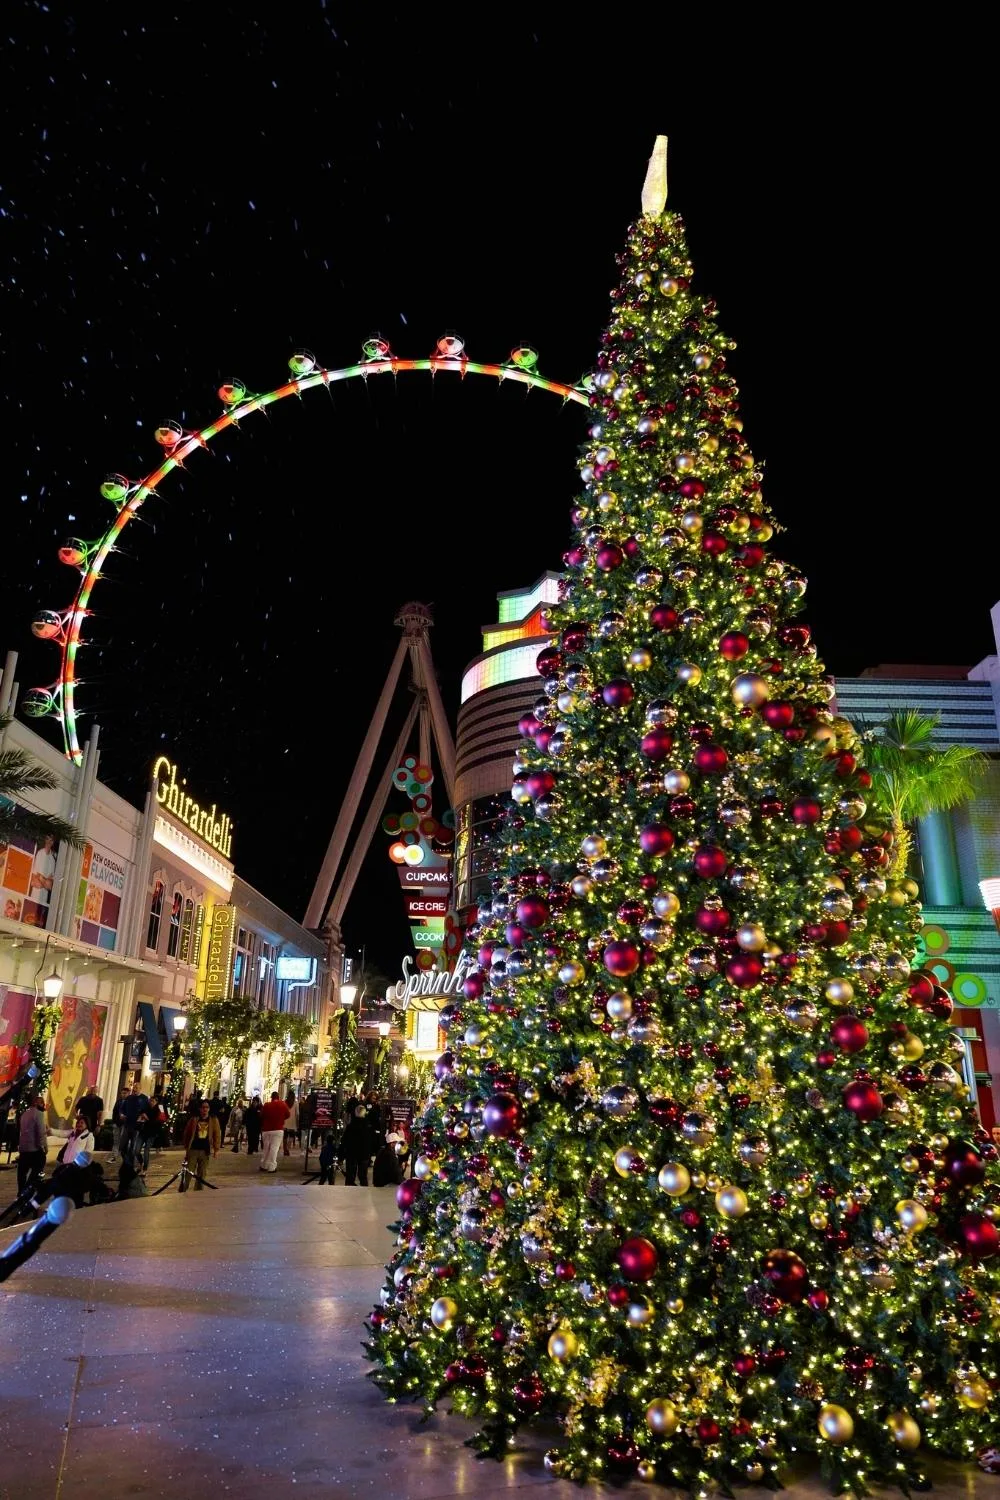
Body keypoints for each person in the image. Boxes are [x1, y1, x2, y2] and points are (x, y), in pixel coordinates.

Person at [182, 1099, 220, 1189]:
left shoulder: (213, 1120)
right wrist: (186, 1147)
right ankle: (183, 1190)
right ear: (200, 1109)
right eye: (203, 1107)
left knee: (202, 1174)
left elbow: (217, 1134)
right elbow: (187, 1132)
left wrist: (216, 1149)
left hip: (205, 1150)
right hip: (193, 1149)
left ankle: (198, 1193)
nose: (205, 1109)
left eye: (207, 1107)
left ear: (209, 1109)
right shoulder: (194, 1119)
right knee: (188, 1172)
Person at [17, 1094, 47, 1195]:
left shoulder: (24, 1114)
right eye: (42, 1103)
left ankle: (21, 1191)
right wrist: (43, 1147)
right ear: (37, 1103)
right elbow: (41, 1132)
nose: (43, 1105)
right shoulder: (38, 1114)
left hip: (23, 1148)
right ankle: (27, 1191)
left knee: (22, 1173)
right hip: (34, 1149)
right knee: (38, 1170)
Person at [259, 1091, 289, 1172]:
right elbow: (288, 1114)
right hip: (278, 1129)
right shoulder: (283, 1104)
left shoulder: (266, 1105)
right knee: (274, 1148)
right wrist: (281, 1119)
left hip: (266, 1129)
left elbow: (261, 1115)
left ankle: (264, 1165)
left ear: (271, 1097)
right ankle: (272, 1166)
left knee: (266, 1148)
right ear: (278, 1097)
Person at [341, 1104, 370, 1186]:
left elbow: (344, 1141)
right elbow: (371, 1141)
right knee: (363, 1176)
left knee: (350, 1176)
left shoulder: (350, 1126)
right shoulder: (367, 1127)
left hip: (351, 1154)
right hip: (364, 1154)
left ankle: (349, 1192)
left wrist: (341, 1155)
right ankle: (364, 1193)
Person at [107, 1085, 130, 1163]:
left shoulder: (130, 1102)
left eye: (125, 1093)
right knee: (116, 1140)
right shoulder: (118, 1101)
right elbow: (114, 1112)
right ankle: (114, 1157)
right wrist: (114, 1122)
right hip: (117, 1123)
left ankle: (125, 1157)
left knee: (124, 1141)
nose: (123, 1095)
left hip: (126, 1124)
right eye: (122, 1093)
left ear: (128, 1093)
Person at [283, 1092, 299, 1156]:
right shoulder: (295, 1103)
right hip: (293, 1123)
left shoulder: (284, 1102)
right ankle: (288, 1148)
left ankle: (285, 1149)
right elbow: (297, 1114)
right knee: (291, 1136)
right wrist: (297, 1123)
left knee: (285, 1137)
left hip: (285, 1122)